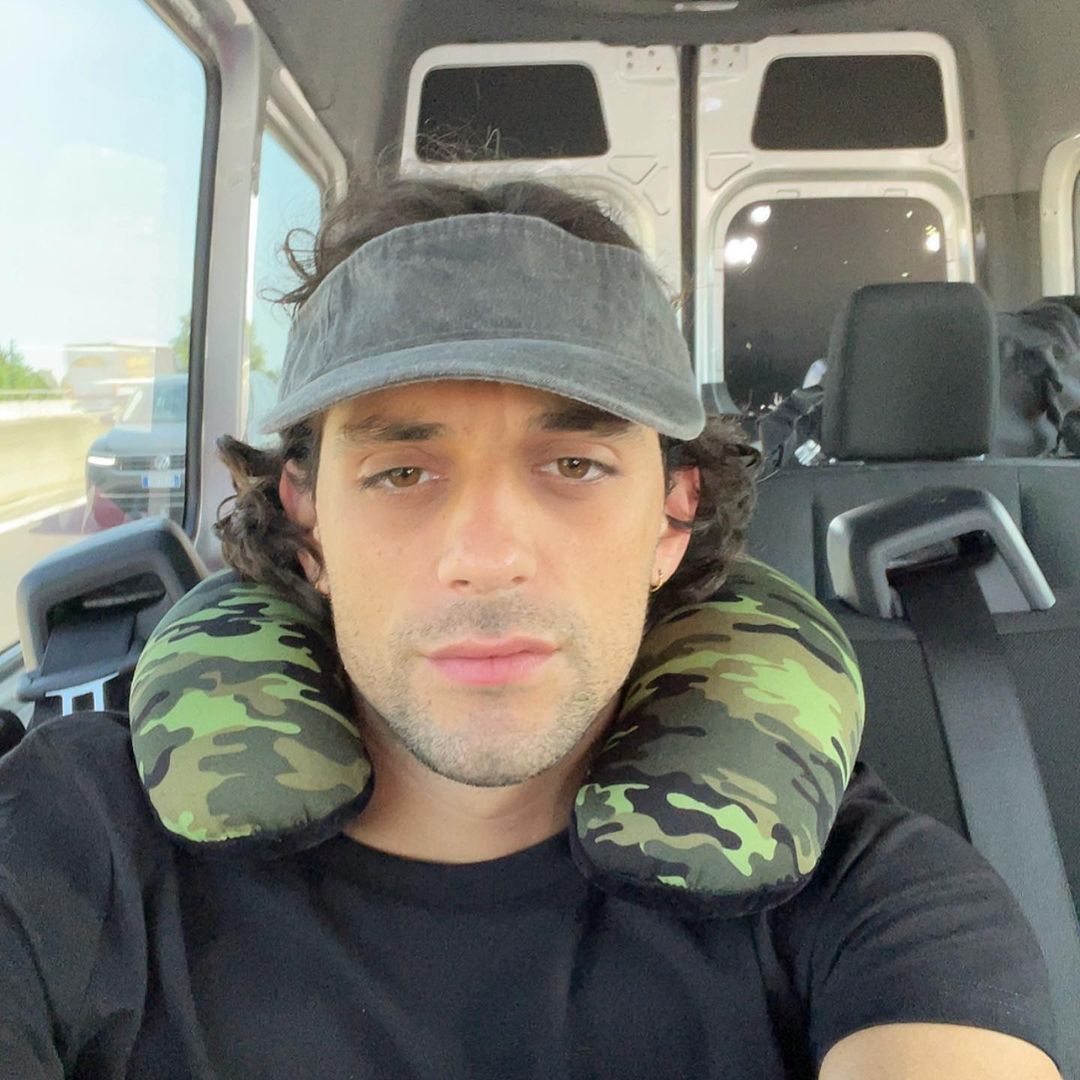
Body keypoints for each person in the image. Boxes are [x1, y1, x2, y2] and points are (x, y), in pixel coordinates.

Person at [0, 174, 1062, 1079]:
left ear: (672, 517)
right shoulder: (76, 836)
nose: (488, 554)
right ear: (309, 523)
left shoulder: (865, 896)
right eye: (402, 472)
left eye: (575, 465)